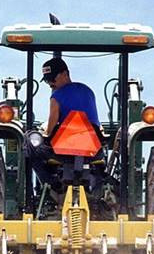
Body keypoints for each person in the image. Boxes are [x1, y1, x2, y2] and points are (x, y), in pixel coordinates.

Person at [27, 57, 100, 191]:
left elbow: (49, 131)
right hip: (93, 149)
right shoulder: (88, 91)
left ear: (65, 74)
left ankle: (50, 185)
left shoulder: (56, 97)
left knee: (29, 143)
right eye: (47, 80)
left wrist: (44, 134)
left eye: (52, 79)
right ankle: (99, 186)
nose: (50, 83)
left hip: (64, 151)